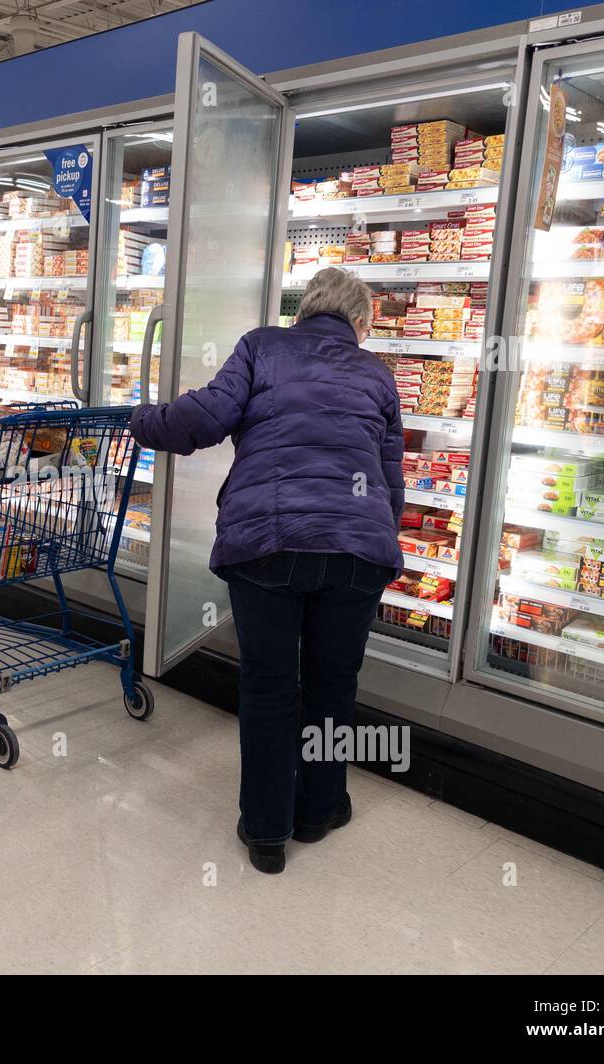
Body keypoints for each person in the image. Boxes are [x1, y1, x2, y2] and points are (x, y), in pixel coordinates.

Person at [131, 267, 404, 874]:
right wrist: (379, 542)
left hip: (267, 543)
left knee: (268, 687)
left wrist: (142, 419)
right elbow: (389, 480)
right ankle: (319, 809)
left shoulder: (262, 347)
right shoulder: (377, 373)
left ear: (303, 311)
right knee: (333, 686)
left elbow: (202, 419)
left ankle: (267, 833)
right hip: (357, 551)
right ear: (360, 324)